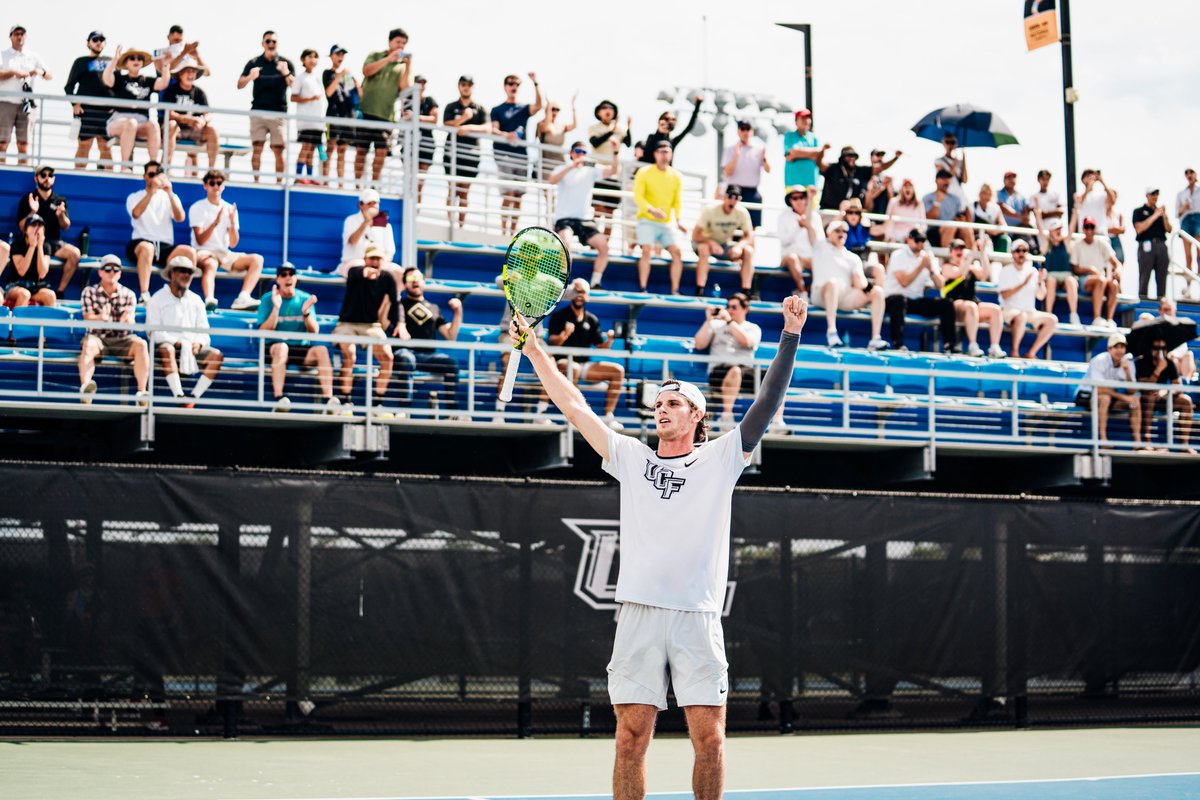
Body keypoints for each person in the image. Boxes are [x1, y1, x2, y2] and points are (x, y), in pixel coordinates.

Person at [510, 293, 807, 800]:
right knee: (630, 739)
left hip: (697, 615)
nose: (662, 409)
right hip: (639, 614)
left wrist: (790, 335)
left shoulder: (722, 458)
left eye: (673, 404)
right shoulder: (631, 456)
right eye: (658, 404)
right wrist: (535, 349)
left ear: (696, 415)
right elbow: (575, 405)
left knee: (710, 741)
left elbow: (766, 403)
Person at [694, 292, 785, 434]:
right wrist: (708, 320)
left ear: (745, 309)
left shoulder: (752, 328)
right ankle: (726, 417)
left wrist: (730, 322)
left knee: (777, 377)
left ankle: (777, 423)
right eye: (728, 307)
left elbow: (747, 342)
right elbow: (699, 344)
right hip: (719, 372)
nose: (730, 310)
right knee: (735, 371)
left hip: (745, 371)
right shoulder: (716, 325)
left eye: (734, 307)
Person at [541, 279, 624, 429]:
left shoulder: (592, 319)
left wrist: (609, 341)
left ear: (588, 296)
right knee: (572, 368)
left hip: (583, 365)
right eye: (576, 291)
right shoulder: (559, 315)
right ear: (571, 294)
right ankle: (575, 416)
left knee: (618, 370)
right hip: (562, 363)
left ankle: (609, 417)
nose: (579, 295)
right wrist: (565, 334)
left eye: (583, 292)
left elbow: (600, 347)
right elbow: (553, 343)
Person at [257, 264, 339, 413]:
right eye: (283, 275)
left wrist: (306, 313)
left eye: (291, 274)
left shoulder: (305, 298)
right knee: (282, 347)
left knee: (321, 350)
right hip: (274, 348)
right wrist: (276, 308)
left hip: (299, 348)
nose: (288, 277)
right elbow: (264, 331)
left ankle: (329, 400)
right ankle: (279, 399)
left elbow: (314, 332)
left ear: (295, 278)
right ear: (278, 279)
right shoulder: (268, 299)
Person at [145, 256, 224, 406]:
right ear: (172, 273)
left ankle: (193, 398)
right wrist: (177, 342)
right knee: (167, 349)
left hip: (191, 348)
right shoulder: (157, 299)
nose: (187, 275)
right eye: (183, 271)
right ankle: (179, 396)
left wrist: (198, 344)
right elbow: (153, 332)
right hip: (166, 346)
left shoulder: (196, 300)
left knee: (216, 356)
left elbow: (204, 331)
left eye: (190, 272)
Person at [333, 247, 404, 411]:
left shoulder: (387, 277)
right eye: (372, 258)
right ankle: (346, 401)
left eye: (378, 259)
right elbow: (356, 273)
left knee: (388, 357)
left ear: (383, 262)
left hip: (372, 325)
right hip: (347, 324)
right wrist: (365, 273)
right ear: (365, 260)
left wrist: (400, 323)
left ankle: (378, 402)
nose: (375, 262)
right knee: (349, 354)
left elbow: (395, 302)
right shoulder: (355, 271)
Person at [78, 254, 149, 405]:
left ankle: (142, 393)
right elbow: (87, 318)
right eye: (108, 269)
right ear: (100, 272)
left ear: (120, 273)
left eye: (116, 269)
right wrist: (100, 318)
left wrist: (128, 322)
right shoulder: (89, 292)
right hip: (98, 338)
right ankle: (86, 389)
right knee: (88, 344)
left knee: (141, 345)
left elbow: (131, 321)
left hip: (122, 339)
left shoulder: (129, 294)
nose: (112, 272)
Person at [807, 219, 888, 350]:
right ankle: (832, 332)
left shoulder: (853, 257)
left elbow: (860, 282)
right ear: (829, 233)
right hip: (821, 295)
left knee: (878, 292)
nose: (842, 234)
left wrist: (865, 286)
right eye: (837, 230)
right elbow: (809, 222)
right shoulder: (820, 246)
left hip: (844, 297)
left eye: (844, 231)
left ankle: (875, 338)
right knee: (832, 283)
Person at [189, 169, 262, 311]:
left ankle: (243, 297)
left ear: (223, 186)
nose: (216, 186)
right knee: (211, 263)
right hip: (203, 251)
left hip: (224, 253)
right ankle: (209, 300)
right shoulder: (197, 208)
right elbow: (200, 241)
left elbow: (233, 243)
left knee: (257, 260)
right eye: (212, 183)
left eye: (219, 183)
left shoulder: (230, 209)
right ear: (205, 186)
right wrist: (215, 222)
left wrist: (232, 223)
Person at [549, 141, 618, 288]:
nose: (581, 155)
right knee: (566, 244)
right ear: (571, 153)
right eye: (578, 151)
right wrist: (572, 166)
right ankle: (563, 281)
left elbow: (613, 170)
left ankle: (595, 282)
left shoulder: (591, 169)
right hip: (564, 219)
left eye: (584, 152)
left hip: (584, 219)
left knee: (604, 247)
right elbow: (552, 180)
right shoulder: (562, 168)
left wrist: (616, 152)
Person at [395, 267, 463, 414]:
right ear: (405, 284)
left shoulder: (434, 308)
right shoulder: (398, 305)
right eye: (410, 279)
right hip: (406, 353)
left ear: (424, 282)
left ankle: (453, 413)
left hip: (429, 356)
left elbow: (450, 336)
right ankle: (404, 411)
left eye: (418, 278)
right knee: (406, 359)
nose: (415, 282)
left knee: (451, 364)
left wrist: (458, 311)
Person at [125, 161, 195, 302]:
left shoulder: (169, 196)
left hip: (164, 247)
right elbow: (136, 213)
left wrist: (170, 193)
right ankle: (144, 294)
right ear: (144, 176)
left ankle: (182, 293)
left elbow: (180, 218)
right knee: (148, 248)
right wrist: (151, 192)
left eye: (157, 174)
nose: (154, 178)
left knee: (190, 252)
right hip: (140, 243)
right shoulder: (134, 196)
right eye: (151, 174)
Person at [883, 229, 957, 353]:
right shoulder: (898, 255)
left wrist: (931, 270)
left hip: (914, 300)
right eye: (917, 240)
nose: (920, 243)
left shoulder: (927, 258)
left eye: (923, 240)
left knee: (947, 304)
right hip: (893, 300)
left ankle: (949, 345)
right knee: (899, 301)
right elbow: (904, 282)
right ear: (909, 240)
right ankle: (897, 344)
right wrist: (921, 266)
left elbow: (940, 285)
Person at [237, 31, 295, 183]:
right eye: (268, 41)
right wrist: (250, 77)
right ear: (262, 43)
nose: (271, 44)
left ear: (277, 44)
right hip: (258, 111)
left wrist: (286, 73)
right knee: (257, 148)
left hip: (279, 113)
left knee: (278, 150)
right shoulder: (254, 62)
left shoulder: (285, 63)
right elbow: (239, 84)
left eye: (274, 41)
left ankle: (279, 184)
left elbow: (295, 87)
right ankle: (256, 182)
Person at [491, 72, 544, 238]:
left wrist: (535, 83)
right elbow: (493, 129)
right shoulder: (497, 109)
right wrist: (507, 135)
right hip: (504, 156)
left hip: (522, 157)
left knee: (518, 196)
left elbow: (539, 105)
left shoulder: (524, 108)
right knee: (509, 194)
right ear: (505, 86)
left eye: (517, 84)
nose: (513, 86)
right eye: (510, 83)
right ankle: (504, 233)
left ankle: (513, 234)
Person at [357, 28, 411, 184]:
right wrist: (388, 59)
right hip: (366, 110)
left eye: (403, 43)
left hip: (386, 115)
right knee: (361, 150)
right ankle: (357, 184)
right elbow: (366, 71)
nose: (400, 46)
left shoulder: (403, 65)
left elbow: (405, 88)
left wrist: (408, 66)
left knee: (381, 152)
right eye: (398, 42)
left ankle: (374, 185)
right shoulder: (375, 55)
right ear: (390, 42)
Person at [17, 165, 81, 295]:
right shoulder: (28, 199)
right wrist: (32, 211)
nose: (47, 178)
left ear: (54, 179)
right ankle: (30, 289)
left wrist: (61, 215)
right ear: (36, 178)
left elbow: (66, 226)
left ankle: (60, 292)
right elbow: (21, 227)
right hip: (33, 243)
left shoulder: (60, 201)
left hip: (54, 242)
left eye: (50, 175)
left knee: (75, 254)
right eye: (43, 175)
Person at [102, 46, 169, 170]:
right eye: (132, 58)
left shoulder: (147, 81)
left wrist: (165, 65)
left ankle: (154, 167)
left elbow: (163, 83)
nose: (136, 60)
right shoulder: (119, 79)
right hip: (119, 120)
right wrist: (115, 59)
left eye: (139, 58)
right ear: (126, 63)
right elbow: (107, 79)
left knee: (153, 125)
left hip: (141, 122)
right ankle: (125, 166)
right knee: (131, 123)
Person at [633, 140, 686, 294]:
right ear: (655, 154)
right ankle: (643, 288)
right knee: (647, 250)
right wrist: (651, 210)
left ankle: (675, 291)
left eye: (667, 151)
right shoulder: (644, 171)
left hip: (665, 224)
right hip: (646, 220)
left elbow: (677, 200)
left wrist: (679, 220)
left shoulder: (676, 176)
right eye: (661, 151)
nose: (665, 155)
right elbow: (638, 196)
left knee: (677, 252)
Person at [940, 238, 1006, 358]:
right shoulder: (947, 266)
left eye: (961, 249)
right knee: (971, 306)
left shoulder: (970, 267)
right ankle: (972, 345)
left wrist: (982, 252)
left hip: (972, 303)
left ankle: (994, 347)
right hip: (953, 305)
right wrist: (972, 253)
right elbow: (960, 273)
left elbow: (985, 275)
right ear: (950, 251)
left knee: (995, 310)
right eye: (956, 249)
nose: (959, 251)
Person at [442, 75, 490, 228]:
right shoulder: (451, 106)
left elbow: (487, 128)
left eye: (469, 84)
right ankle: (451, 225)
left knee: (464, 192)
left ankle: (461, 226)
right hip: (451, 154)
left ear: (473, 87)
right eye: (463, 84)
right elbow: (446, 124)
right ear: (459, 86)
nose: (466, 87)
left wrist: (468, 127)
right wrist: (463, 119)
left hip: (471, 156)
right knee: (452, 189)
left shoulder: (480, 108)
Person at [1080, 333, 1143, 449]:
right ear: (1109, 349)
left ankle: (1137, 443)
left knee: (1135, 401)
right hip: (1086, 397)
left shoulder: (1128, 363)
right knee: (1105, 398)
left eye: (1122, 347)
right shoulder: (1099, 360)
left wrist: (1127, 372)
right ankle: (1103, 439)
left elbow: (1132, 391)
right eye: (1116, 347)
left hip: (1111, 398)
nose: (1119, 350)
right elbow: (1099, 389)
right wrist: (1123, 397)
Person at [691, 186, 756, 298]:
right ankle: (699, 290)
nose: (733, 200)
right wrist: (711, 243)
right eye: (730, 197)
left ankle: (746, 292)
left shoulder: (742, 212)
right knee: (704, 249)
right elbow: (695, 235)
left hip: (723, 245)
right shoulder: (710, 210)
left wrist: (739, 246)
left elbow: (749, 236)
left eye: (736, 198)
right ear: (724, 197)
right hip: (704, 242)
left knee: (748, 251)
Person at [0, 24, 51, 166]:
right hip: (5, 103)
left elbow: (49, 75)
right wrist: (13, 72)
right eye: (16, 33)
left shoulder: (33, 56)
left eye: (22, 34)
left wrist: (40, 72)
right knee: (2, 143)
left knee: (24, 144)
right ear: (10, 37)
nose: (19, 36)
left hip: (26, 104)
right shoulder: (3, 54)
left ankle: (22, 170)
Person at [64, 31, 115, 170]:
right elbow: (69, 86)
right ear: (88, 43)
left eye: (101, 39)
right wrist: (75, 104)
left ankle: (109, 177)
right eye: (95, 39)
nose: (98, 42)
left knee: (106, 146)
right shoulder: (80, 62)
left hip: (107, 111)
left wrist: (116, 106)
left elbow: (119, 85)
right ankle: (78, 175)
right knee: (84, 145)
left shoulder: (112, 61)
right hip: (86, 110)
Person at [998, 240, 1057, 359]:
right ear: (1013, 253)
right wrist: (1023, 283)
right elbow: (1004, 295)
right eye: (1018, 250)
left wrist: (1040, 282)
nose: (1021, 253)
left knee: (1052, 320)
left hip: (1029, 311)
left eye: (1024, 250)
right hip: (1009, 310)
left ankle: (1031, 353)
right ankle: (1015, 352)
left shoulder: (1033, 272)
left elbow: (1041, 296)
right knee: (1022, 316)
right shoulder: (1005, 270)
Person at [1136, 335, 1195, 454]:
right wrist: (1158, 369)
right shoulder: (1142, 362)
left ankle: (1184, 444)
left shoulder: (1169, 362)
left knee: (1186, 401)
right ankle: (1147, 442)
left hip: (1163, 398)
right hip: (1145, 399)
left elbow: (1178, 386)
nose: (1160, 351)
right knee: (1150, 398)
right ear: (1150, 348)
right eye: (1156, 348)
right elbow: (1144, 386)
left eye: (1163, 348)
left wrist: (1166, 391)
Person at [162, 58, 218, 175]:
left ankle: (212, 172)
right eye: (187, 71)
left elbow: (207, 114)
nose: (191, 74)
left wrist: (202, 121)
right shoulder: (171, 90)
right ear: (180, 74)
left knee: (212, 129)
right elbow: (169, 113)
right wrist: (187, 120)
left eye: (193, 71)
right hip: (176, 130)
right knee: (171, 125)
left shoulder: (200, 93)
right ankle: (165, 167)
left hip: (195, 131)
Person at [586, 99, 630, 230]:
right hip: (599, 172)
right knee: (598, 208)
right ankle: (593, 237)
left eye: (611, 108)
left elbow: (628, 143)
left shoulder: (621, 128)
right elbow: (595, 143)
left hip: (614, 174)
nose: (608, 110)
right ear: (598, 112)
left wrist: (629, 128)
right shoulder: (593, 128)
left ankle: (606, 240)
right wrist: (612, 131)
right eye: (604, 108)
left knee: (610, 211)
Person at [1070, 217, 1123, 327]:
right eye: (1087, 227)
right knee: (1101, 280)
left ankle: (1109, 320)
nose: (1089, 230)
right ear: (1083, 229)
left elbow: (1116, 263)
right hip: (1085, 279)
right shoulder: (1077, 245)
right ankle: (1096, 318)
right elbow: (1075, 269)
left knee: (1114, 284)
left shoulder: (1102, 244)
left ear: (1095, 229)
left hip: (1100, 279)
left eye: (1092, 227)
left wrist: (1117, 270)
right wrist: (1089, 270)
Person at [322, 45, 359, 189]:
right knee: (330, 149)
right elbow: (329, 92)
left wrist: (356, 82)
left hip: (347, 118)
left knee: (342, 151)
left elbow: (357, 97)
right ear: (331, 56)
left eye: (342, 54)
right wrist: (340, 75)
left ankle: (341, 184)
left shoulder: (348, 77)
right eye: (338, 54)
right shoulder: (327, 73)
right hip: (332, 117)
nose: (340, 57)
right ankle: (325, 181)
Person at [721, 120, 769, 227]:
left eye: (748, 129)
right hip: (733, 191)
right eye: (742, 129)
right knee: (732, 226)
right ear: (738, 131)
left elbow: (768, 170)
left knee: (752, 226)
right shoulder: (730, 149)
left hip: (752, 193)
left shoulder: (759, 150)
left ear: (752, 131)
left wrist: (764, 158)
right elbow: (727, 172)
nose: (745, 132)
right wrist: (736, 155)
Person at [339, 189, 398, 274]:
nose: (373, 206)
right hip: (355, 263)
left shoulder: (386, 225)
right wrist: (366, 222)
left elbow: (390, 252)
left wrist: (379, 265)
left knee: (398, 271)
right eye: (369, 203)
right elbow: (353, 241)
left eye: (375, 203)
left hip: (380, 264)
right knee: (361, 271)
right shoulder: (350, 220)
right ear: (360, 205)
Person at [3, 213, 55, 307]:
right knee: (24, 295)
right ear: (26, 230)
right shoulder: (17, 244)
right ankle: (17, 318)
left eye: (40, 225)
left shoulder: (46, 246)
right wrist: (32, 246)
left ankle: (47, 318)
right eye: (33, 225)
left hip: (34, 286)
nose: (37, 228)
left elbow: (42, 273)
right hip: (15, 285)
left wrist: (39, 246)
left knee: (50, 296)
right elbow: (22, 271)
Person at [777, 186, 820, 299]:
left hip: (810, 259)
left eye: (802, 197)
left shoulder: (815, 217)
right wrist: (798, 227)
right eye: (795, 198)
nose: (799, 201)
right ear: (790, 201)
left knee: (825, 262)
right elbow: (784, 241)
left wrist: (808, 225)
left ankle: (807, 291)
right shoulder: (783, 217)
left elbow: (818, 243)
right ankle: (803, 292)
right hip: (790, 259)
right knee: (792, 258)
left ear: (806, 199)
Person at [402, 74, 439, 199]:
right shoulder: (408, 99)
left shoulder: (430, 100)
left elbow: (435, 119)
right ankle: (409, 205)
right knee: (409, 180)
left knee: (420, 184)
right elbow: (404, 116)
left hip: (426, 145)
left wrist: (416, 117)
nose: (421, 86)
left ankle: (415, 208)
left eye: (423, 83)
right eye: (419, 83)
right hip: (410, 144)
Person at [291, 49, 324, 182]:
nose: (312, 60)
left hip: (317, 122)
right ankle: (298, 177)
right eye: (309, 57)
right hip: (306, 121)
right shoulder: (300, 78)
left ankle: (309, 178)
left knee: (312, 150)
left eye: (315, 57)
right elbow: (293, 97)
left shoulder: (316, 78)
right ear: (303, 60)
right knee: (305, 147)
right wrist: (309, 99)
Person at [1040, 218, 1081, 325]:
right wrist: (1037, 213)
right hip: (1051, 276)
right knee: (1051, 281)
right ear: (1050, 231)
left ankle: (1074, 314)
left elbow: (1071, 228)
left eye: (1060, 228)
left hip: (1066, 276)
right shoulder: (1046, 244)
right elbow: (1040, 228)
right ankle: (1048, 314)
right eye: (1056, 229)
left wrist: (1075, 211)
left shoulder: (1066, 243)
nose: (1059, 231)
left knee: (1071, 281)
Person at [639, 94, 703, 163]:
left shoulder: (672, 142)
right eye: (666, 119)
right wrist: (660, 129)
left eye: (673, 120)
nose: (669, 122)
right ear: (660, 121)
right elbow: (647, 157)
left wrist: (698, 104)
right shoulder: (652, 138)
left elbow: (689, 127)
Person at [1133, 187, 1172, 299]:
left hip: (1161, 245)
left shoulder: (1161, 213)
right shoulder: (1139, 211)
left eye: (1157, 194)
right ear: (1147, 196)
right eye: (1153, 194)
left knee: (1162, 276)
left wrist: (1164, 216)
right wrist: (1155, 215)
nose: (1155, 196)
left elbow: (1169, 229)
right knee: (1144, 276)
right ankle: (1143, 299)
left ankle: (1162, 300)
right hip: (1146, 246)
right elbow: (1139, 228)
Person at [924, 169, 973, 249]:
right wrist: (937, 202)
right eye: (943, 178)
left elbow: (961, 216)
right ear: (936, 181)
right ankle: (948, 255)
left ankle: (971, 255)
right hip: (934, 231)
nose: (946, 181)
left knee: (966, 228)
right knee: (950, 226)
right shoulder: (927, 198)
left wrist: (962, 219)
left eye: (948, 178)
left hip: (953, 228)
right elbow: (929, 219)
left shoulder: (955, 199)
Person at [782, 109, 827, 190]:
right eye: (802, 118)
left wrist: (799, 153)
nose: (806, 120)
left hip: (812, 183)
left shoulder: (814, 137)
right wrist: (813, 153)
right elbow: (793, 152)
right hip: (793, 183)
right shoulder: (790, 136)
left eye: (808, 118)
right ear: (796, 121)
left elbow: (820, 154)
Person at [819, 146, 871, 211]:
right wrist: (822, 151)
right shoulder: (833, 168)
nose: (852, 158)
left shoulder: (859, 171)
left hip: (849, 212)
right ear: (842, 157)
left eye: (854, 156)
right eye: (849, 155)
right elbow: (820, 164)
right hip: (829, 210)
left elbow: (877, 169)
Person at [536, 93, 576, 176]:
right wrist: (549, 107)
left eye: (557, 109)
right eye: (552, 109)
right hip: (546, 163)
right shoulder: (541, 124)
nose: (555, 111)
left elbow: (574, 126)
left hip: (560, 161)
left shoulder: (562, 126)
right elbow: (547, 127)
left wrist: (573, 106)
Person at [880, 178, 925, 245]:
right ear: (901, 188)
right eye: (905, 186)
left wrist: (917, 236)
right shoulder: (893, 202)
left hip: (913, 238)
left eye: (910, 186)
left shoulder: (919, 203)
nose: (907, 188)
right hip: (896, 236)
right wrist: (889, 235)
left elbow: (923, 224)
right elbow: (889, 222)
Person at [1029, 169, 1063, 252]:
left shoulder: (1056, 194)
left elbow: (1061, 212)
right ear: (1039, 180)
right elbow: (1038, 215)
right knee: (1045, 251)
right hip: (1043, 229)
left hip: (1057, 228)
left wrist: (1044, 213)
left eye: (1047, 179)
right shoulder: (1034, 196)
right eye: (1043, 179)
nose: (1045, 182)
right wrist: (1054, 212)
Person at [998, 171, 1032, 248]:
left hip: (1019, 234)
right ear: (1004, 180)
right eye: (1009, 178)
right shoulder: (998, 194)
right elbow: (1002, 208)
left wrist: (1025, 217)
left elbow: (1026, 217)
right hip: (1003, 232)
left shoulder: (1022, 197)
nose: (1012, 180)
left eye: (1013, 178)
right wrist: (1021, 217)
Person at [1075, 169, 1116, 234]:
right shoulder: (1078, 194)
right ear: (1083, 179)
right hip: (1085, 233)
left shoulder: (1101, 194)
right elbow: (1079, 202)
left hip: (1101, 232)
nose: (1090, 178)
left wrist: (1102, 181)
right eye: (1088, 176)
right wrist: (1089, 187)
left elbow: (1113, 200)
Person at [864, 148, 902, 216]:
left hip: (884, 217)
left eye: (882, 155)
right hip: (870, 216)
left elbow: (892, 200)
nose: (880, 158)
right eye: (878, 155)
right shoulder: (864, 174)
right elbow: (866, 201)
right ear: (871, 157)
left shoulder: (885, 177)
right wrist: (882, 187)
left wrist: (888, 186)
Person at [933, 133, 968, 207]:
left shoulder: (959, 162)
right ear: (943, 143)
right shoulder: (939, 161)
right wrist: (954, 163)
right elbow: (945, 177)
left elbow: (965, 180)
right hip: (946, 193)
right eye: (947, 142)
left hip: (958, 193)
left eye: (952, 142)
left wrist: (964, 156)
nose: (950, 145)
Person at [973, 183, 1008, 252]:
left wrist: (993, 232)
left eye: (989, 194)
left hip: (992, 238)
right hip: (977, 237)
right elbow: (969, 227)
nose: (987, 196)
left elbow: (1004, 226)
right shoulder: (972, 206)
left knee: (1004, 239)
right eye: (985, 193)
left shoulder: (996, 208)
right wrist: (986, 231)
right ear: (980, 193)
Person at [1177, 168, 1200, 273]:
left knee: (1199, 250)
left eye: (1191, 172)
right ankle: (1188, 277)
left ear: (1195, 174)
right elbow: (1177, 212)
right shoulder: (1181, 194)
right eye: (1186, 173)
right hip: (1186, 220)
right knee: (1188, 254)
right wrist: (1184, 207)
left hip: (1198, 219)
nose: (1189, 175)